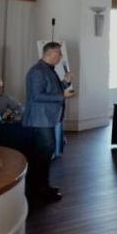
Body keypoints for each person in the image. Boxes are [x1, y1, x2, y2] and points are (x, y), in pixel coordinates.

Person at [23, 42, 73, 201]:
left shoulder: (48, 70)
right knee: (42, 156)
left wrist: (65, 82)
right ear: (51, 53)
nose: (61, 56)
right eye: (59, 53)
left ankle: (42, 187)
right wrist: (62, 96)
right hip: (40, 119)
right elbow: (36, 96)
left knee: (44, 155)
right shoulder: (37, 71)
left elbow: (53, 90)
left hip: (47, 118)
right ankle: (37, 190)